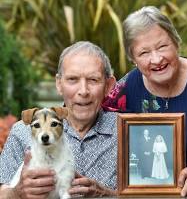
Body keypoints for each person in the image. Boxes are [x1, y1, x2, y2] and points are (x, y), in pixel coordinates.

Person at [102, 6, 187, 197]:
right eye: (144, 53)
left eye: (162, 47)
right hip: (152, 194)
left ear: (176, 43)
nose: (156, 59)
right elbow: (86, 116)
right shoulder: (127, 87)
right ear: (133, 59)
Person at [0, 41, 117, 198]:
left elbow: (151, 192)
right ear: (59, 84)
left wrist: (108, 194)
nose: (83, 91)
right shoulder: (22, 131)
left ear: (109, 86)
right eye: (72, 79)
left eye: (93, 80)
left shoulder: (127, 131)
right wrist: (17, 192)